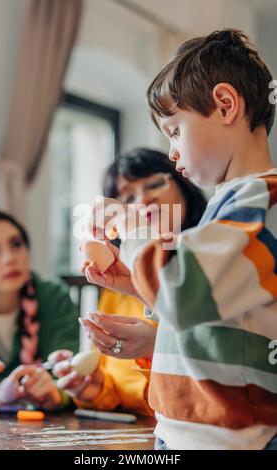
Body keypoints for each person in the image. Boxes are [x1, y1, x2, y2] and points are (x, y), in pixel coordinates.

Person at [82, 29, 277, 450]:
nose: (171, 152)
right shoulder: (231, 204)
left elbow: (186, 294)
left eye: (173, 130)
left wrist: (134, 228)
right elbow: (222, 315)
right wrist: (138, 291)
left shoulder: (258, 201)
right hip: (190, 433)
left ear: (226, 105)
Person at [52, 149, 206, 416]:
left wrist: (160, 344)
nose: (143, 201)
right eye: (128, 198)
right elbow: (117, 388)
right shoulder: (118, 284)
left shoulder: (213, 262)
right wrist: (95, 390)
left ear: (185, 186)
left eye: (155, 184)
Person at [0, 208, 79, 410]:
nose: (9, 258)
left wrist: (55, 393)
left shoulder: (54, 297)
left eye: (16, 244)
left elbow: (67, 374)